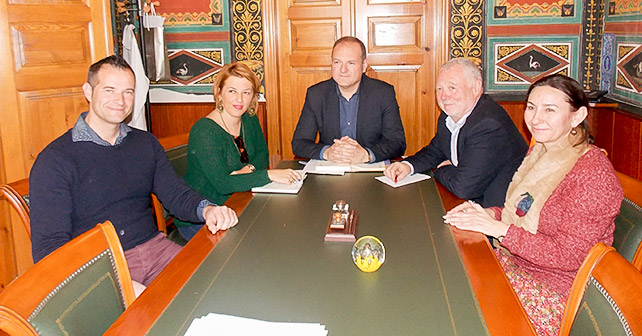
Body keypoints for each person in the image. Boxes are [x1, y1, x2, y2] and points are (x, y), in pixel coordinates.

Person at [29, 55, 238, 287]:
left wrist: (207, 210)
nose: (120, 100)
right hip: (102, 268)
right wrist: (116, 289)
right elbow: (49, 249)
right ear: (88, 91)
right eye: (109, 90)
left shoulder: (145, 144)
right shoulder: (55, 160)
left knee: (219, 284)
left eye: (128, 91)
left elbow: (175, 194)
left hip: (157, 251)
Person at [443, 74, 623, 335]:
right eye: (531, 107)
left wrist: (498, 229)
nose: (536, 118)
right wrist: (485, 213)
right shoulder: (541, 150)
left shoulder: (592, 174)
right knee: (446, 281)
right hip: (514, 265)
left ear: (578, 116)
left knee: (457, 315)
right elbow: (519, 212)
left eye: (550, 109)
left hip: (556, 294)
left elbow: (568, 256)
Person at [174, 62, 301, 241]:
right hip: (203, 217)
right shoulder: (204, 131)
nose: (239, 100)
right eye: (232, 91)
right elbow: (223, 184)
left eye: (246, 92)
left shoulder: (248, 118)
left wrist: (247, 170)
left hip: (237, 202)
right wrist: (269, 175)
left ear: (253, 96)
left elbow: (261, 157)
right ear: (219, 93)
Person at [384, 58, 528, 207]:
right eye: (439, 89)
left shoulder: (488, 125)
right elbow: (436, 150)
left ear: (476, 87)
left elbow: (464, 187)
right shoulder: (450, 115)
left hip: (498, 213)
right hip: (468, 203)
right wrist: (408, 165)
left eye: (452, 88)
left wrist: (442, 169)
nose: (444, 96)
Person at [291, 36, 406, 163]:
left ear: (363, 66)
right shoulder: (316, 94)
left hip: (370, 171)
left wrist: (367, 155)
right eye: (337, 62)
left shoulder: (383, 93)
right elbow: (299, 143)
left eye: (351, 63)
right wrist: (327, 152)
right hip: (330, 170)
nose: (343, 70)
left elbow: (397, 142)